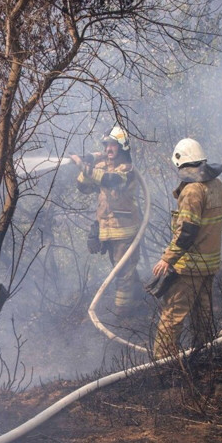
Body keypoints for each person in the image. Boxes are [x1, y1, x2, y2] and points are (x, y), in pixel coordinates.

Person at [150, 138, 222, 359]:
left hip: (189, 267)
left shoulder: (193, 191)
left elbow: (187, 231)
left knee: (172, 317)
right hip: (209, 265)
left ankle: (163, 364)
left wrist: (167, 259)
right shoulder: (217, 186)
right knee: (203, 317)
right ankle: (205, 359)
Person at [70, 125, 143, 322]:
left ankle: (123, 314)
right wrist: (89, 163)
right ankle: (138, 301)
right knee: (124, 270)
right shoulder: (103, 168)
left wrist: (84, 165)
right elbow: (82, 187)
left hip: (125, 231)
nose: (109, 149)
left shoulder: (127, 170)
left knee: (122, 273)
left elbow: (109, 180)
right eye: (106, 145)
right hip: (109, 230)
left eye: (113, 145)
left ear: (122, 147)